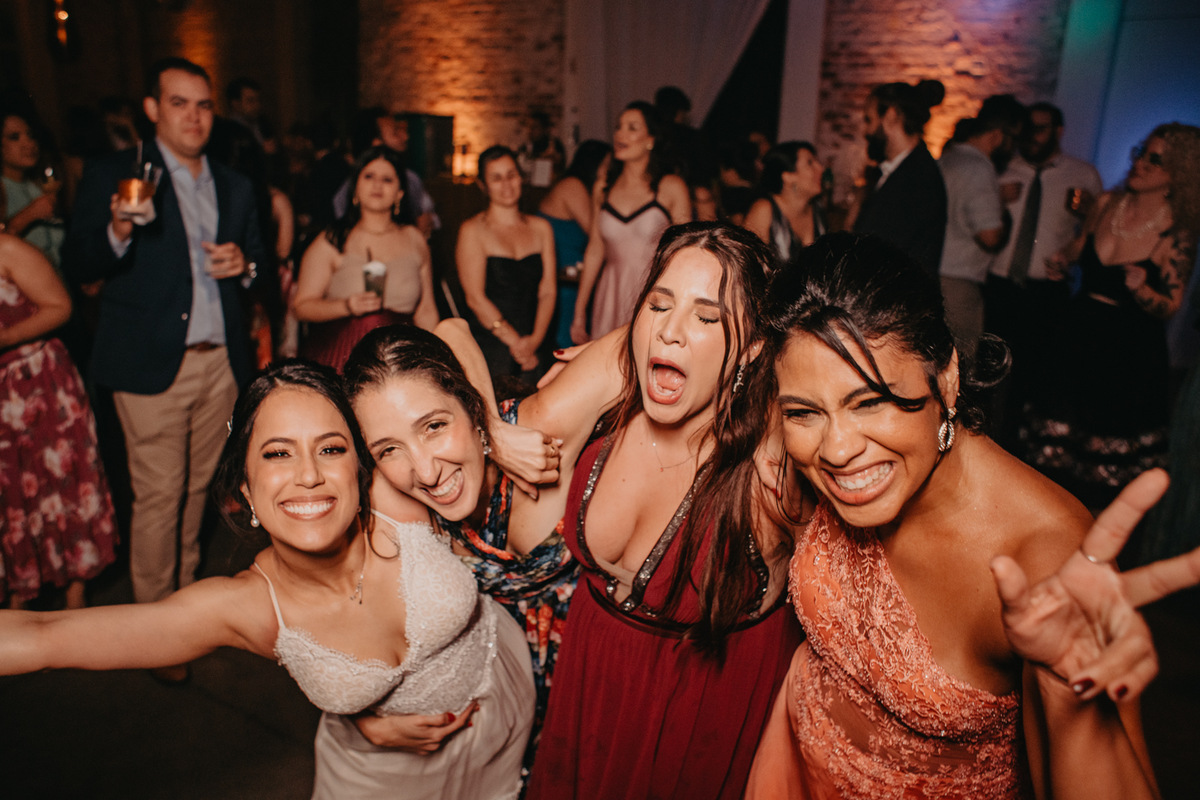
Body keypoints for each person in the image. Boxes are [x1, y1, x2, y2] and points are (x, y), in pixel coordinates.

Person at [745, 231, 1200, 799]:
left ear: (947, 377)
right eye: (805, 412)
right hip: (789, 762)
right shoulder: (805, 453)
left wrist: (1068, 695)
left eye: (871, 402)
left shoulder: (1043, 555)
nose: (836, 450)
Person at [0, 361, 536, 800]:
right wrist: (360, 718)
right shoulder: (245, 608)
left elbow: (446, 339)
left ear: (360, 469)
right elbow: (46, 637)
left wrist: (497, 431)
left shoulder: (400, 497)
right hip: (384, 779)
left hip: (511, 710)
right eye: (278, 453)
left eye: (331, 449)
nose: (309, 475)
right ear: (246, 489)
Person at [528, 222, 805, 799]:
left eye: (707, 318)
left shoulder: (773, 464)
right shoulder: (612, 397)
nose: (670, 332)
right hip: (590, 686)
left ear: (753, 348)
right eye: (658, 305)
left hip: (698, 720)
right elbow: (517, 429)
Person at [62, 57, 265, 682]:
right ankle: (156, 633)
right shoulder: (118, 174)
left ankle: (182, 607)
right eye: (179, 103)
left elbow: (259, 262)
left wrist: (244, 266)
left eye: (203, 105)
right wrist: (118, 227)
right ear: (152, 109)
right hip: (150, 364)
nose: (194, 117)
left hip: (219, 363)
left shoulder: (233, 183)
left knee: (198, 490)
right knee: (159, 495)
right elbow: (79, 260)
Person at [344, 318, 620, 763]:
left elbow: (657, 331)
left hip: (604, 667)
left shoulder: (542, 426)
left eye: (434, 426)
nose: (426, 472)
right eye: (389, 449)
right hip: (509, 696)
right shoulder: (393, 499)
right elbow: (320, 603)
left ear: (470, 402)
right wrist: (363, 720)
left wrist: (495, 429)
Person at [1022, 123, 1200, 510]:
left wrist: (1143, 289)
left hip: (1126, 353)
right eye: (1141, 153)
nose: (1141, 163)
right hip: (1076, 334)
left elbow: (1171, 304)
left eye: (1156, 160)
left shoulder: (1176, 232)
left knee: (1100, 467)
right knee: (1051, 454)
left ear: (1179, 173)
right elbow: (1082, 244)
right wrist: (1063, 258)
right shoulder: (1106, 204)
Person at [0, 233, 116, 609]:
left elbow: (60, 306)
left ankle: (76, 592)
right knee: (12, 495)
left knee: (61, 483)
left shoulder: (8, 249)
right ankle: (20, 589)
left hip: (37, 383)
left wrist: (5, 336)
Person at [986, 102, 1103, 447]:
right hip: (999, 285)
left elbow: (1097, 234)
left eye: (1040, 128)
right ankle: (987, 439)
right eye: (1027, 129)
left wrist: (1089, 217)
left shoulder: (1083, 175)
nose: (1031, 136)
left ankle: (1022, 447)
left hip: (1046, 291)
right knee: (991, 369)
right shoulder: (1002, 168)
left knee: (1036, 374)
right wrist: (995, 197)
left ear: (1058, 131)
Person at [294, 146, 437, 370]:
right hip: (342, 356)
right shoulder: (333, 240)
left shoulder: (414, 239)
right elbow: (302, 307)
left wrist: (434, 358)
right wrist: (347, 306)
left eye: (387, 179)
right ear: (355, 188)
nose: (377, 185)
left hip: (400, 358)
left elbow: (426, 309)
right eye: (369, 176)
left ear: (400, 193)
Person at [571, 102, 691, 343]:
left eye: (632, 128)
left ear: (651, 140)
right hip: (609, 294)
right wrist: (579, 311)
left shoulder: (670, 187)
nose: (620, 134)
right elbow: (595, 250)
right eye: (619, 127)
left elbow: (686, 253)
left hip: (652, 294)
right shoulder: (603, 188)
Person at [457, 146, 556, 383]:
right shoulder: (473, 231)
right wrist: (516, 343)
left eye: (511, 175)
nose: (507, 184)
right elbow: (475, 298)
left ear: (521, 178)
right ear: (483, 185)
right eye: (497, 178)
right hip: (492, 344)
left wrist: (534, 341)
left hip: (536, 341)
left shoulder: (541, 228)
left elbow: (548, 291)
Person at [938, 111, 1016, 361]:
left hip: (934, 272)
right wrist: (1002, 208)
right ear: (997, 136)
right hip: (959, 283)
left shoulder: (947, 159)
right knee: (960, 363)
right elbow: (990, 237)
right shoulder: (979, 168)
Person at [850, 79, 947, 276]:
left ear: (891, 116)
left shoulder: (917, 178)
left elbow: (876, 252)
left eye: (869, 120)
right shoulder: (901, 170)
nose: (865, 131)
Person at [538, 140, 611, 349]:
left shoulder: (581, 188)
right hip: (561, 279)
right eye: (606, 165)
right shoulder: (572, 186)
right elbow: (597, 233)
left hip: (575, 278)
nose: (610, 171)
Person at [338, 107, 438, 239]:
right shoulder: (353, 182)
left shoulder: (410, 178)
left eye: (387, 180)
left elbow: (430, 219)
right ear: (376, 143)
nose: (405, 136)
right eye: (395, 132)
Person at [743, 141, 826, 269]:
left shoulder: (816, 208)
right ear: (788, 176)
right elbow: (747, 265)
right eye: (810, 163)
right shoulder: (764, 210)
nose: (820, 168)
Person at [2, 104, 65, 272]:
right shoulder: (3, 188)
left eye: (30, 135)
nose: (29, 143)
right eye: (14, 137)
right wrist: (29, 214)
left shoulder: (35, 187)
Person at [226, 77, 265, 146]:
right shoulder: (229, 133)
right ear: (235, 104)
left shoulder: (262, 124)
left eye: (258, 100)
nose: (257, 105)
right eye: (250, 101)